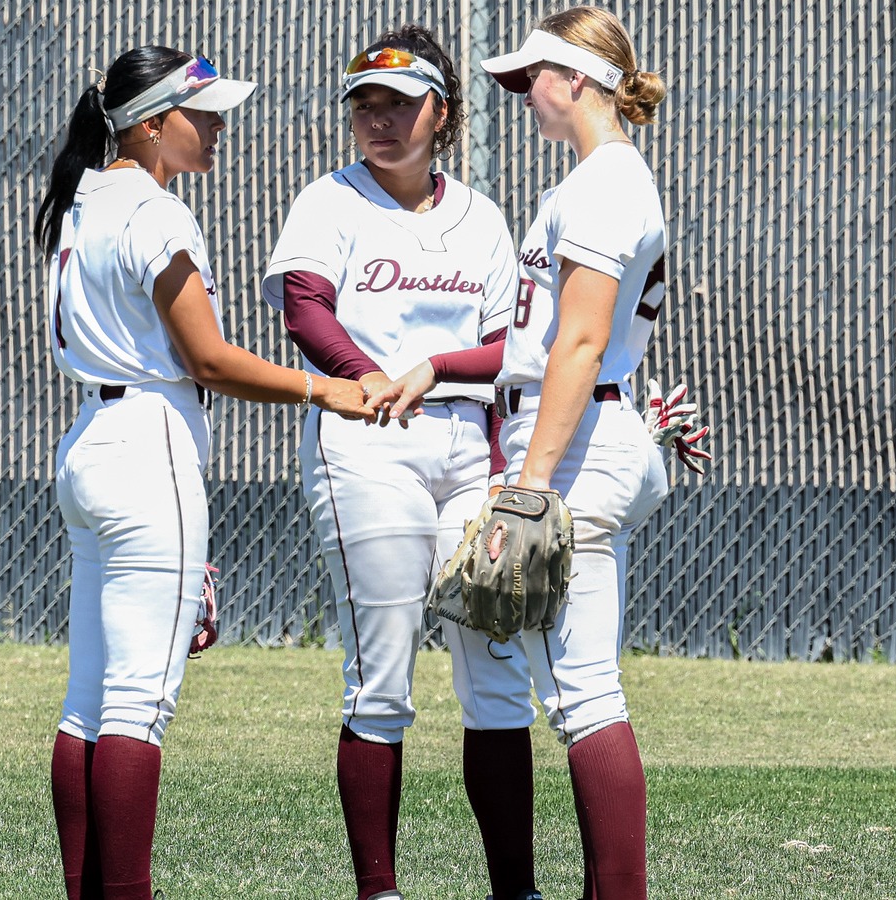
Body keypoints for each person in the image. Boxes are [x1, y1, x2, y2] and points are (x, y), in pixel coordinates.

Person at [33, 47, 374, 900]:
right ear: (152, 124)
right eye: (203, 112)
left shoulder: (81, 197)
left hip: (90, 443)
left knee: (88, 704)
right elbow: (210, 361)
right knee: (136, 708)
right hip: (149, 448)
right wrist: (324, 389)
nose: (218, 125)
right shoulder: (154, 210)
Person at [373, 7, 675, 899]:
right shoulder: (593, 179)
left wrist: (530, 486)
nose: (522, 95)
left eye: (532, 78)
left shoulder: (604, 185)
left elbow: (579, 348)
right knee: (568, 688)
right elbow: (554, 345)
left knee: (584, 695)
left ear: (575, 79)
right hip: (576, 430)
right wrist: (439, 367)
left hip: (569, 447)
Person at [260, 25, 520, 900]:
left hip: (465, 442)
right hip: (368, 440)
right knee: (383, 666)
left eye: (399, 104)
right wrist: (363, 375)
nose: (379, 120)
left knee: (495, 664)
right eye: (364, 104)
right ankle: (380, 890)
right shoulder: (328, 202)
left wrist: (440, 372)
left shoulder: (480, 217)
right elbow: (305, 305)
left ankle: (514, 887)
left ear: (440, 112)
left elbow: (506, 347)